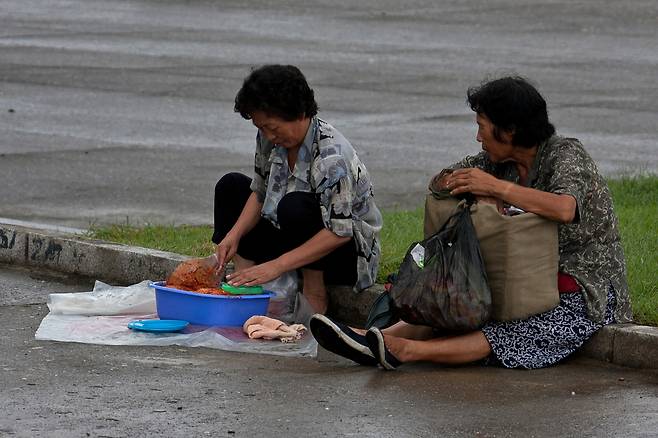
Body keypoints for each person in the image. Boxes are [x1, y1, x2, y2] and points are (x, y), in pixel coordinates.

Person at [310, 76, 633, 369]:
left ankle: (404, 350)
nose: (478, 137)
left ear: (510, 131)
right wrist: (463, 186)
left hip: (584, 285)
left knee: (514, 331)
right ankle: (373, 338)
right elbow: (440, 182)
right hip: (515, 273)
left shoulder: (565, 154)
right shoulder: (496, 162)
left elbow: (565, 208)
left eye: (482, 126)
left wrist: (497, 190)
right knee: (450, 292)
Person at [212, 65, 382, 314]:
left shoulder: (331, 157)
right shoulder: (269, 139)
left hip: (343, 256)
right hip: (292, 239)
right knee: (231, 186)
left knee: (295, 206)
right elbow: (260, 191)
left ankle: (314, 295)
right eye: (261, 128)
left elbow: (340, 232)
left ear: (299, 112)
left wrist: (277, 265)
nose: (268, 136)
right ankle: (244, 282)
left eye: (273, 127)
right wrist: (233, 235)